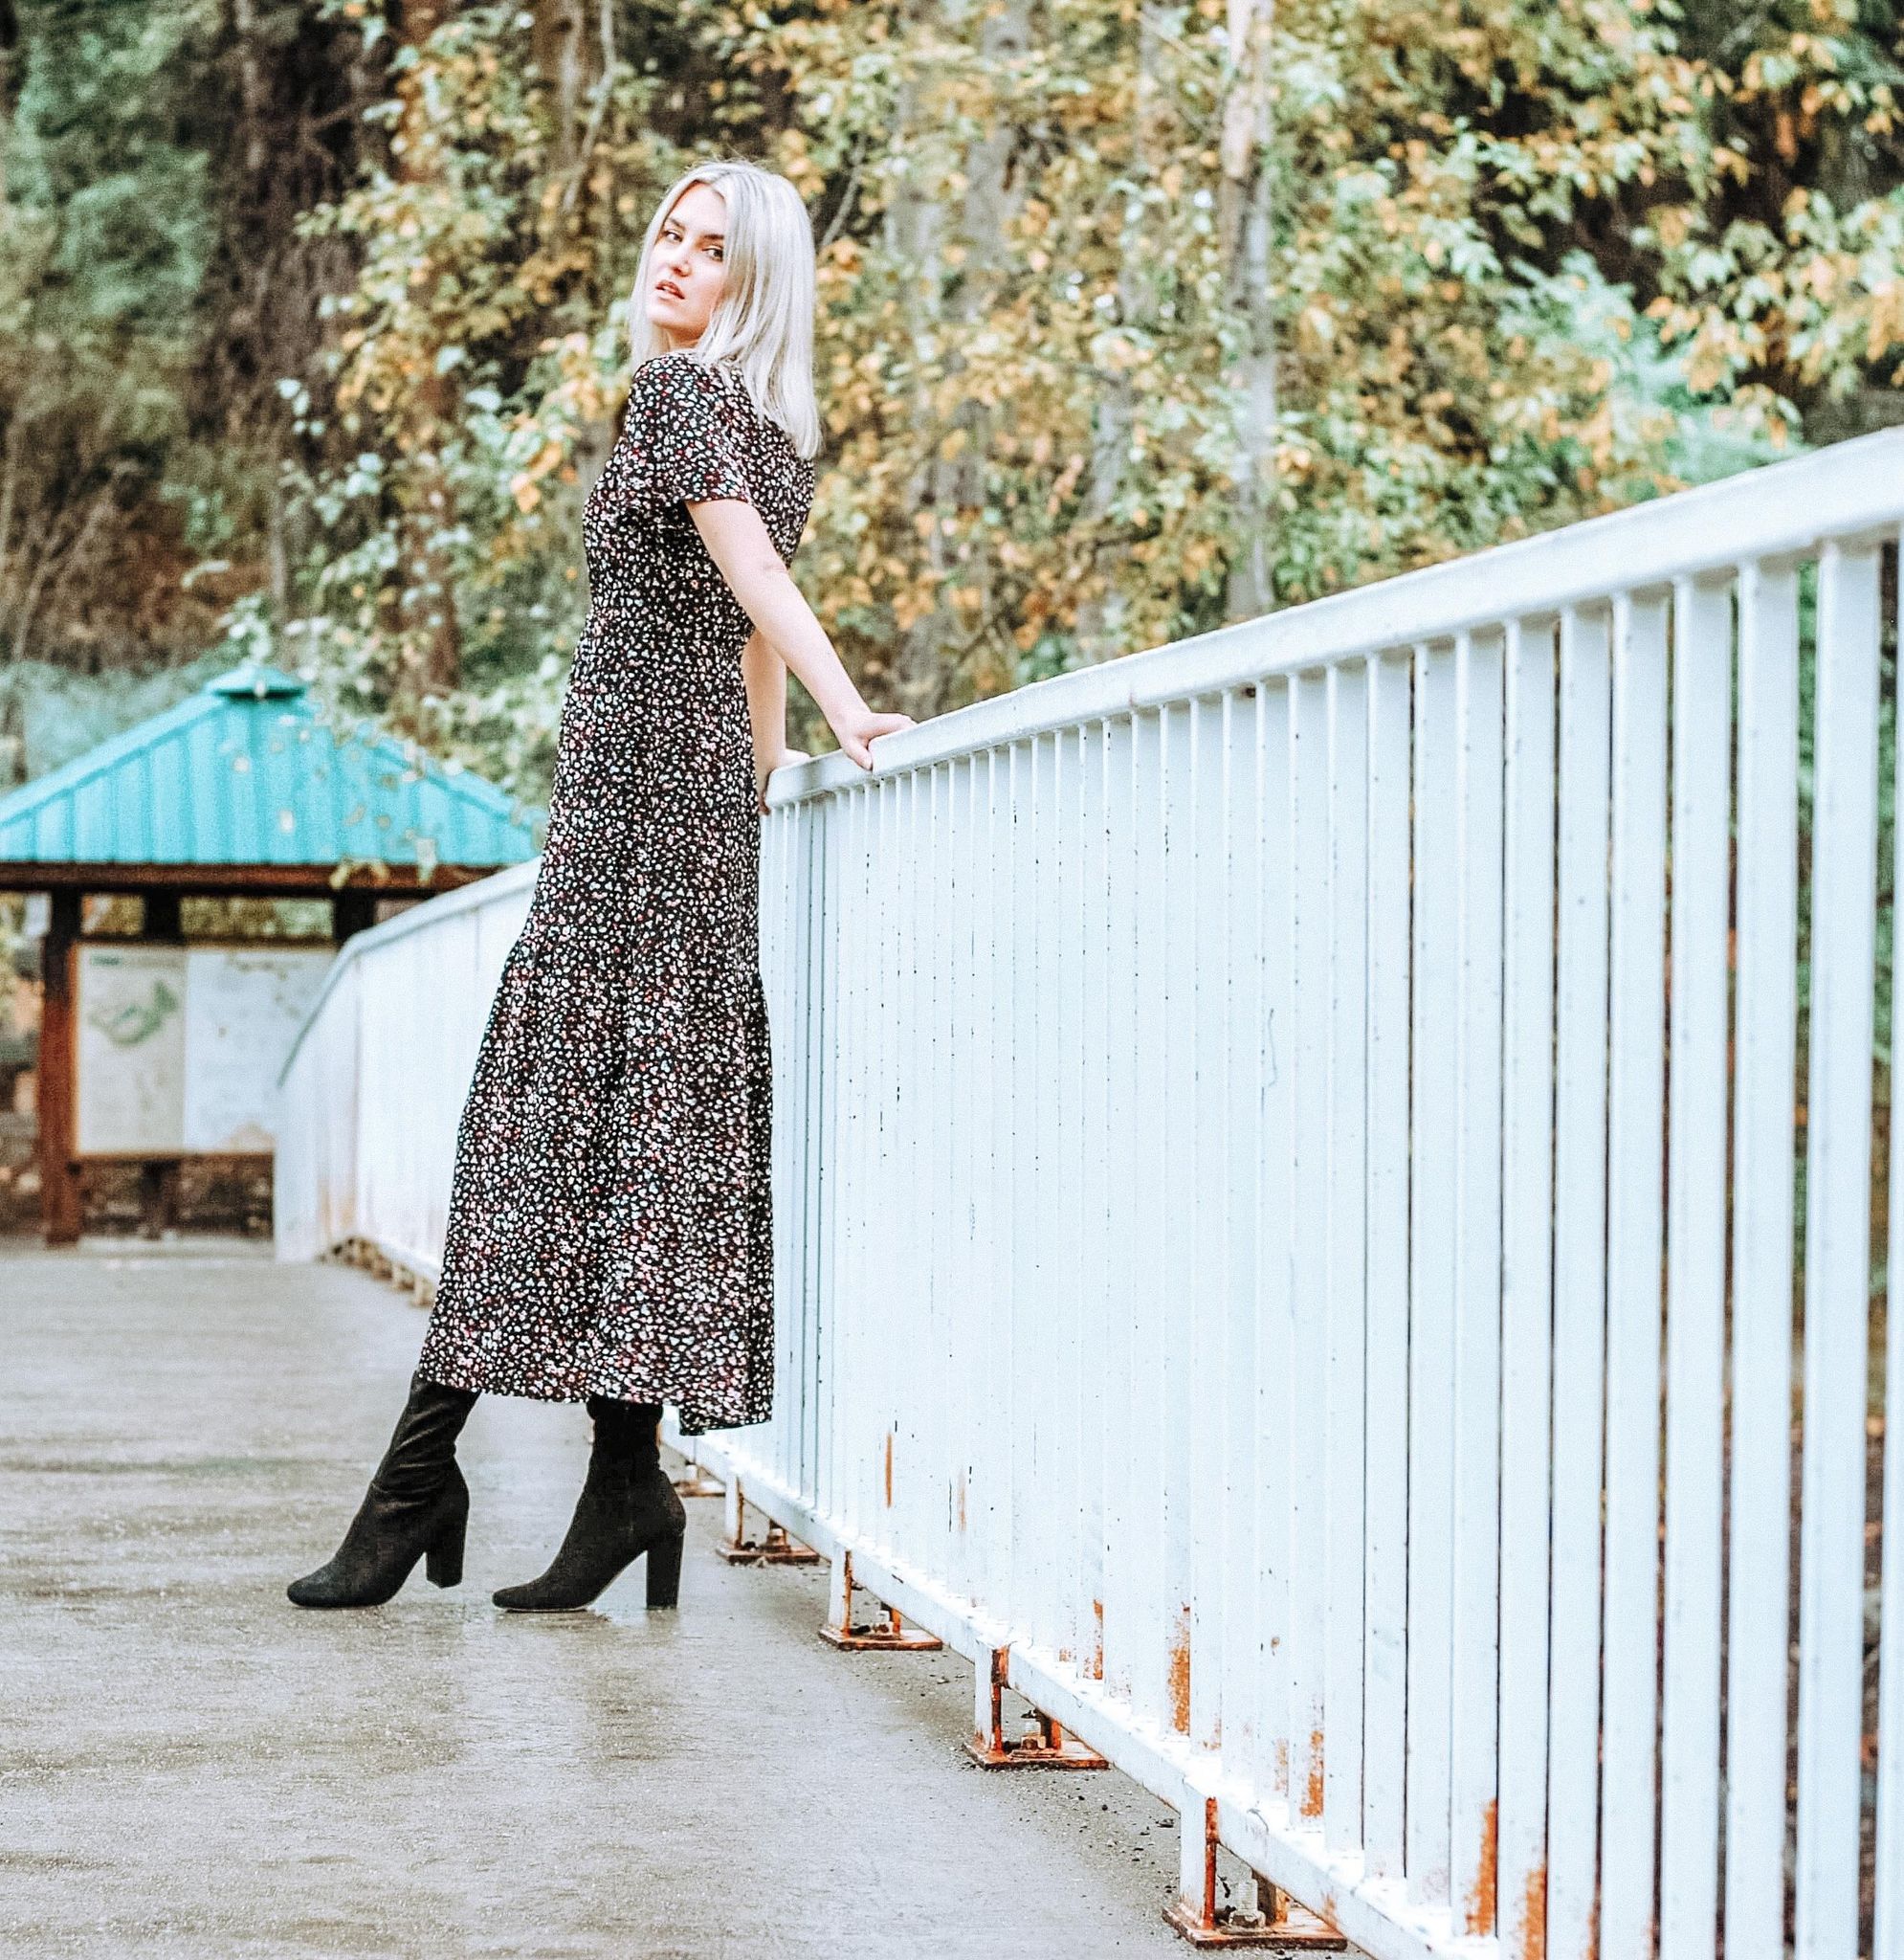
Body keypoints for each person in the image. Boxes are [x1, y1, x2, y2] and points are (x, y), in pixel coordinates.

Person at [288, 157, 913, 1613]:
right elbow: (743, 614)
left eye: (711, 249)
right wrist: (763, 763)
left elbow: (758, 594)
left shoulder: (682, 398)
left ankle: (421, 1484)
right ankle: (621, 1478)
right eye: (668, 235)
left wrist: (835, 716)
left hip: (638, 800)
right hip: (684, 803)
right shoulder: (762, 426)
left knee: (542, 1123)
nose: (675, 261)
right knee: (633, 1130)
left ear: (756, 281)